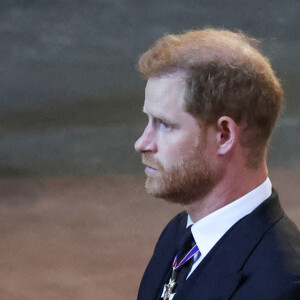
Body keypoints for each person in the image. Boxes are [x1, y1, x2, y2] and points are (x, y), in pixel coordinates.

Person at [134, 29, 300, 300]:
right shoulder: (179, 235)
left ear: (224, 136)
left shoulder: (281, 283)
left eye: (164, 124)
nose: (142, 143)